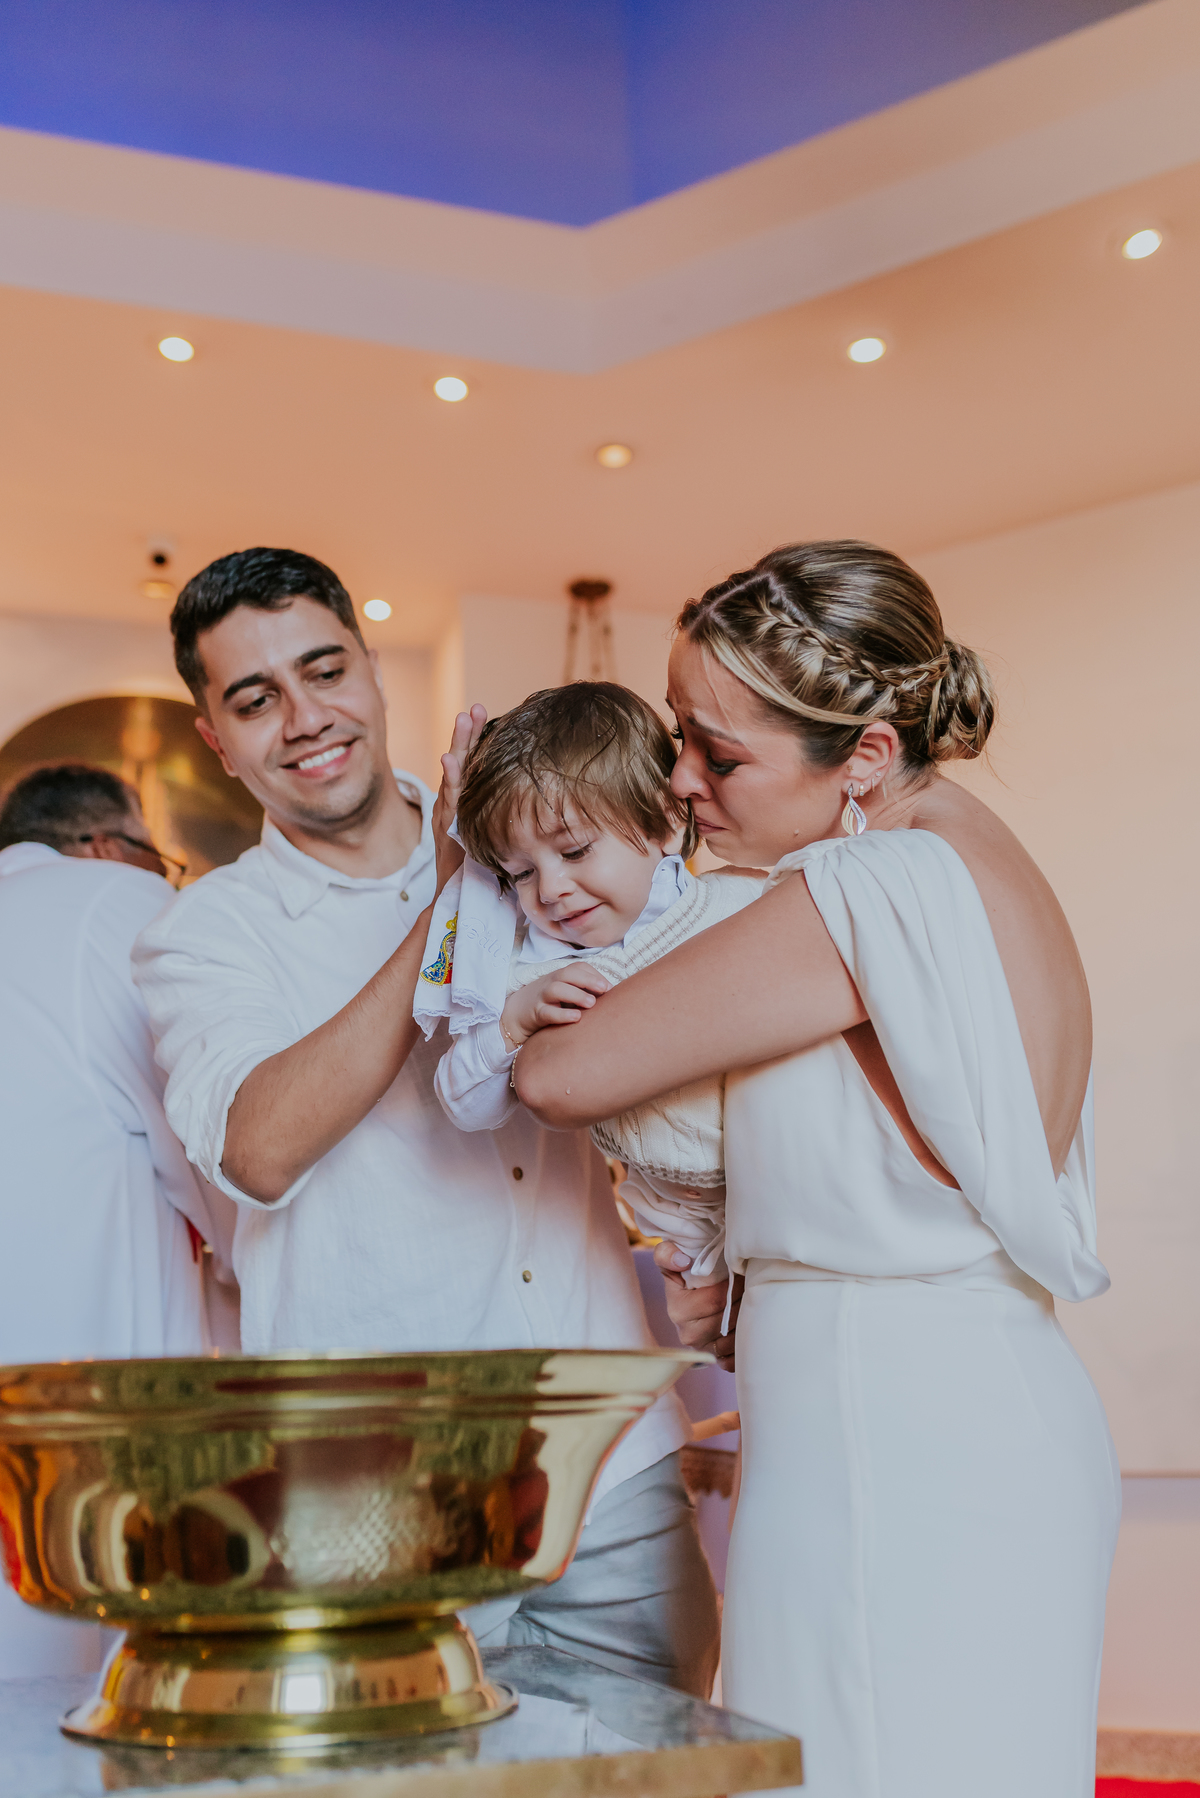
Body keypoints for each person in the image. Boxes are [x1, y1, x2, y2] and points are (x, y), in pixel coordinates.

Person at [515, 541, 1120, 1798]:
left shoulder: (867, 889)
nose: (681, 781)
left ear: (868, 756)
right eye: (680, 734)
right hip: (963, 1402)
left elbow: (560, 1076)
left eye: (718, 753)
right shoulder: (981, 865)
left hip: (889, 1434)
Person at [131, 547, 720, 1695]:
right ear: (215, 736)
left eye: (324, 669)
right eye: (255, 700)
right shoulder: (205, 932)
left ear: (370, 666)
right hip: (373, 1504)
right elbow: (258, 1145)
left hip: (611, 1469)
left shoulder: (537, 845)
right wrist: (452, 890)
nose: (305, 718)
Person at [0, 762, 236, 1677]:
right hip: (81, 1422)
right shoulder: (112, 902)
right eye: (158, 857)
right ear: (108, 846)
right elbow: (225, 1151)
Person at [426, 680, 762, 1289]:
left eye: (575, 851)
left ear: (663, 818)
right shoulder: (532, 971)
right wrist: (514, 1022)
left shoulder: (737, 907)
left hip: (793, 1186)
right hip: (689, 1231)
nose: (549, 889)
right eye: (521, 872)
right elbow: (461, 1102)